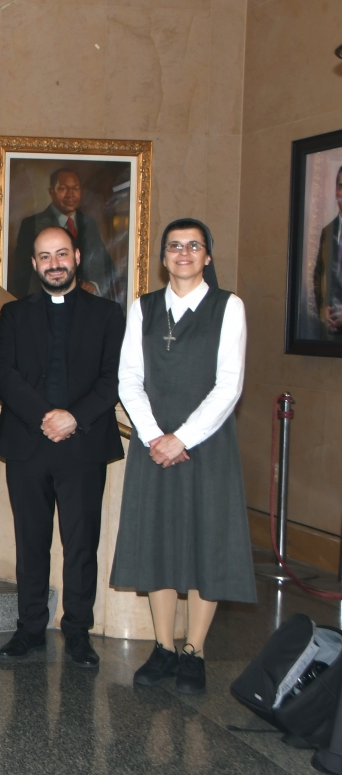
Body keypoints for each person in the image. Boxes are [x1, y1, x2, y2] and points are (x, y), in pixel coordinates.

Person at [111, 218, 254, 695]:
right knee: (158, 540)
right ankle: (163, 647)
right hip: (154, 445)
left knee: (206, 542)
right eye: (175, 246)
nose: (184, 253)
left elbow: (229, 385)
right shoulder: (144, 307)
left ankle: (194, 650)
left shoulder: (226, 306)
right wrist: (155, 436)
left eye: (194, 246)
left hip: (207, 443)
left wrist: (183, 438)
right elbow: (129, 377)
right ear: (163, 257)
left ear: (208, 256)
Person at [0, 225, 125, 667]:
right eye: (45, 256)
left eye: (61, 254)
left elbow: (113, 379)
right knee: (32, 542)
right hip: (29, 443)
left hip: (82, 445)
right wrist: (45, 415)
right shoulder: (14, 314)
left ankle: (78, 631)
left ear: (78, 256)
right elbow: (2, 374)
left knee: (81, 543)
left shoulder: (107, 314)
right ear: (34, 264)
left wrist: (74, 417)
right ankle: (30, 628)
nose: (54, 263)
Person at [8, 168, 115, 300]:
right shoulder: (32, 225)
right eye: (63, 188)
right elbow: (22, 274)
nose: (70, 194)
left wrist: (93, 285)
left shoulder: (89, 223)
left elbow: (105, 264)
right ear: (51, 192)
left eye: (75, 189)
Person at [313, 164, 342, 338]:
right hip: (331, 335)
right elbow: (319, 275)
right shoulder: (328, 231)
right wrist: (324, 310)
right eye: (340, 186)